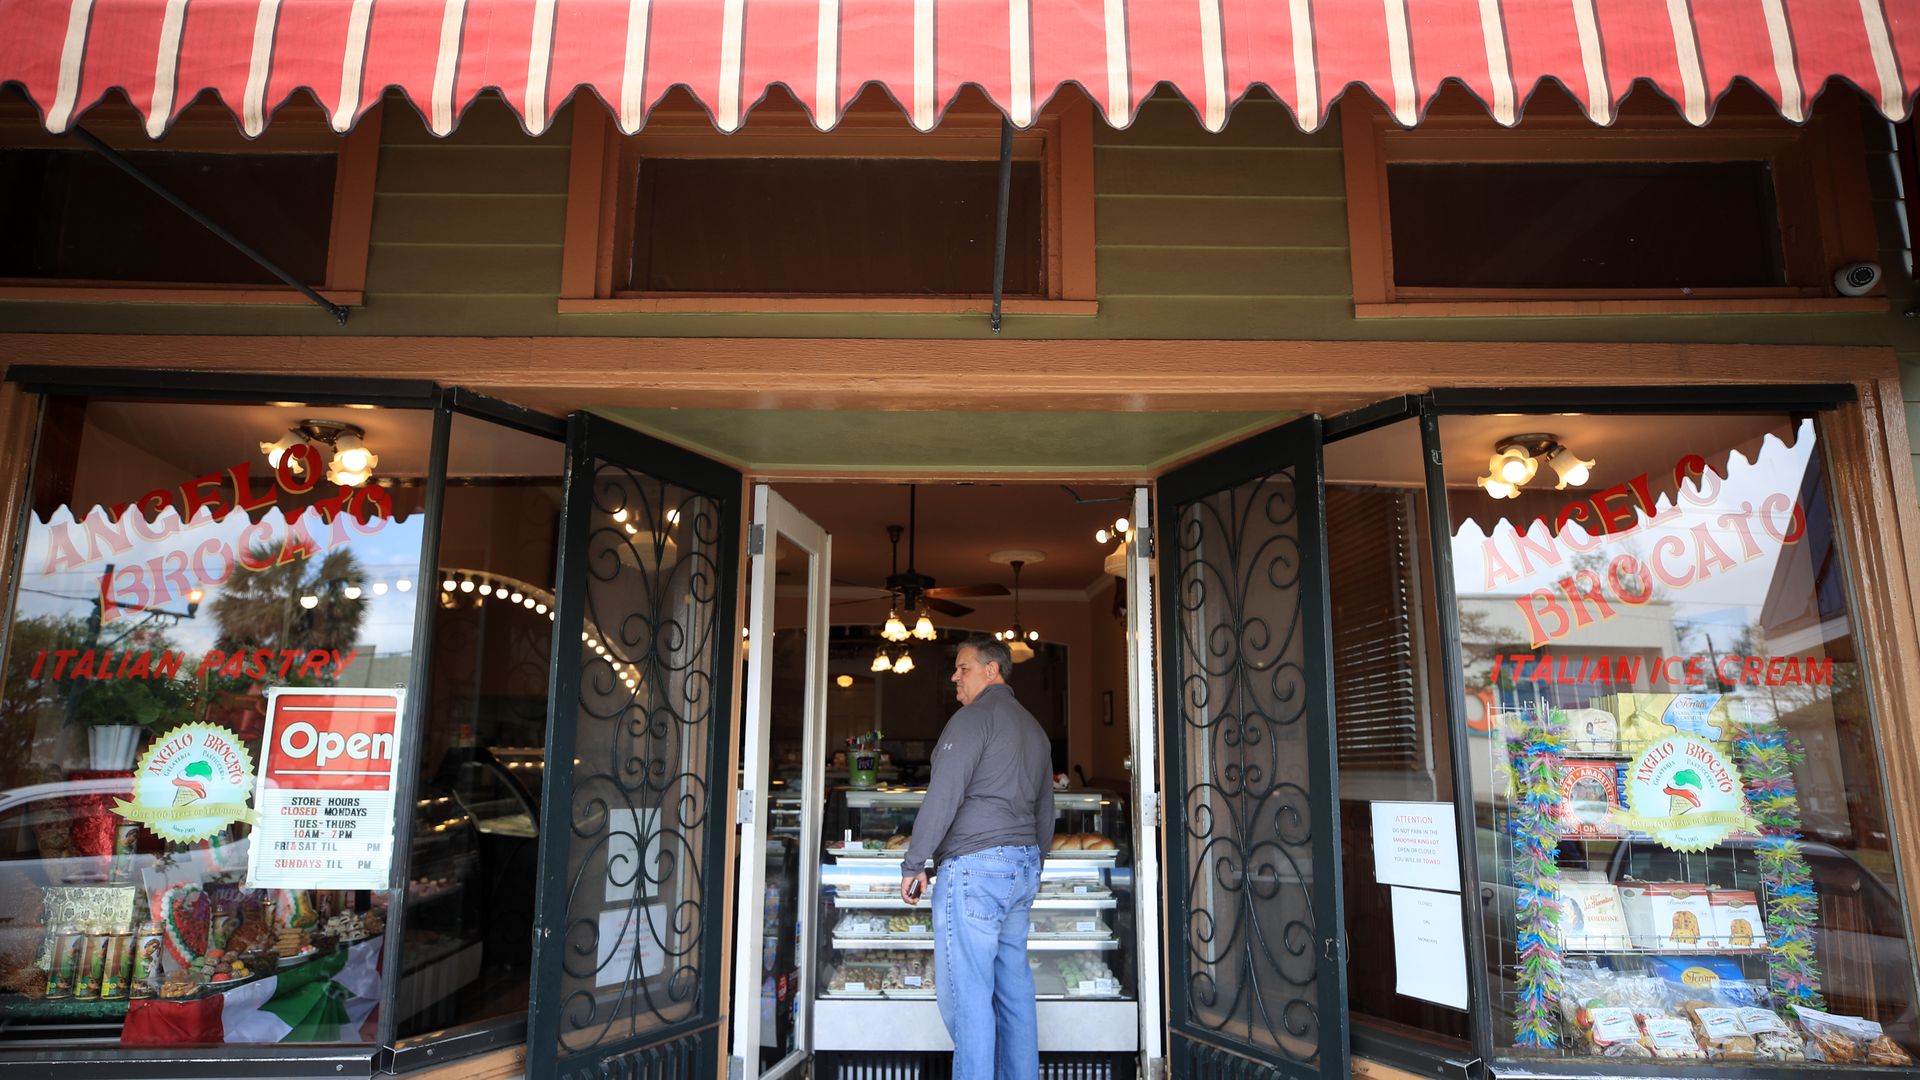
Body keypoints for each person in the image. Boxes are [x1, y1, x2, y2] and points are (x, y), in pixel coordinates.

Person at [900, 636, 1055, 1080]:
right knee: (1014, 992)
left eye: (963, 668)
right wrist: (1034, 864)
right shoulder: (1034, 728)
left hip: (975, 869)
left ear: (992, 671)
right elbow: (1047, 810)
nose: (954, 675)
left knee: (968, 998)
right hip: (1021, 868)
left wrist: (915, 863)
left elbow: (943, 795)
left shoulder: (972, 719)